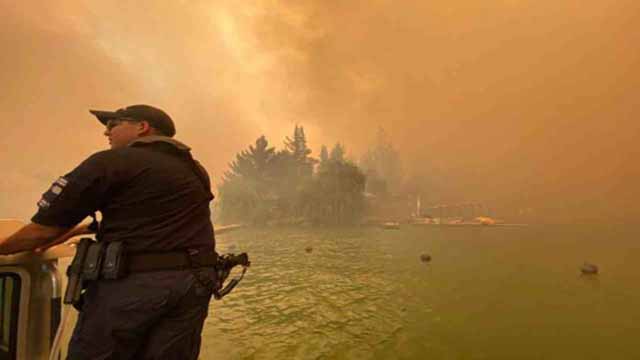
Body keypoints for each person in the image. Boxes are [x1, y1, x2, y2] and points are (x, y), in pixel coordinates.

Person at [0, 104, 217, 359]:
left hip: (133, 286)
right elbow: (150, 220)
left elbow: (41, 231)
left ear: (142, 127)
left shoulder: (112, 162)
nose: (106, 132)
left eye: (113, 124)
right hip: (194, 286)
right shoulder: (193, 170)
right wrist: (77, 230)